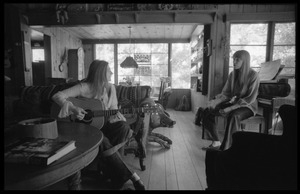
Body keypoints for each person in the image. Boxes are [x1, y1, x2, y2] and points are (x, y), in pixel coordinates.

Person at [52, 60, 145, 190]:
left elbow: (113, 108)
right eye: (108, 70)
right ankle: (129, 176)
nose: (112, 72)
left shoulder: (111, 87)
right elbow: (57, 96)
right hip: (85, 128)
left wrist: (116, 117)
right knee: (101, 138)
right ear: (100, 73)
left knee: (122, 127)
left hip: (103, 123)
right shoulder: (84, 87)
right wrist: (73, 108)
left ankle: (112, 172)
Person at [201, 50, 260, 151]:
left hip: (247, 106)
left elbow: (249, 98)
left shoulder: (253, 75)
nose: (234, 62)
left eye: (237, 60)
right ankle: (216, 141)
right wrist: (215, 102)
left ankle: (228, 149)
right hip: (233, 103)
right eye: (234, 59)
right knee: (207, 111)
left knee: (234, 116)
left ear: (245, 61)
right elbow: (226, 93)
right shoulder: (232, 74)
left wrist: (229, 109)